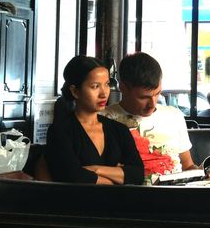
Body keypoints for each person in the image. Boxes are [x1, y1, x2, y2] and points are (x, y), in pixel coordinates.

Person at [101, 52, 210, 183]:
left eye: (157, 93)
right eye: (143, 97)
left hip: (176, 191)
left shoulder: (174, 116)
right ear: (123, 88)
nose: (152, 104)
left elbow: (188, 166)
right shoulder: (103, 119)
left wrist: (205, 173)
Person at [45, 56, 144, 185]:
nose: (104, 93)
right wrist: (118, 176)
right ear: (75, 91)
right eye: (95, 86)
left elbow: (138, 175)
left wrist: (96, 169)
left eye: (107, 84)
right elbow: (73, 177)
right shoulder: (60, 131)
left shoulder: (120, 130)